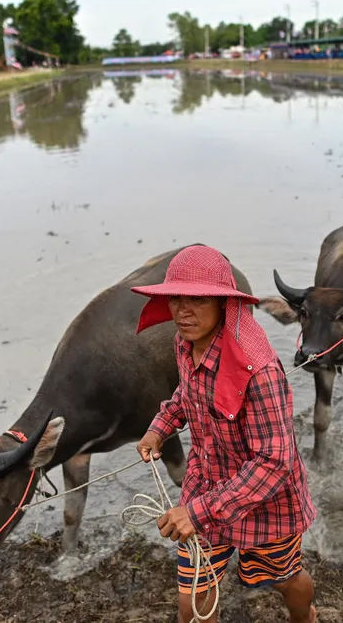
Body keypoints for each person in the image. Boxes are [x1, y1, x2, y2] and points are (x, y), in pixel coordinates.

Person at [133, 245, 317, 623]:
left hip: (266, 502)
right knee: (192, 596)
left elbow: (275, 462)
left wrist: (196, 512)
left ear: (224, 304)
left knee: (284, 578)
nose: (183, 312)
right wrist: (160, 428)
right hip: (206, 483)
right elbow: (188, 393)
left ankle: (306, 617)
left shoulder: (259, 371)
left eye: (198, 299)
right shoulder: (185, 343)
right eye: (176, 299)